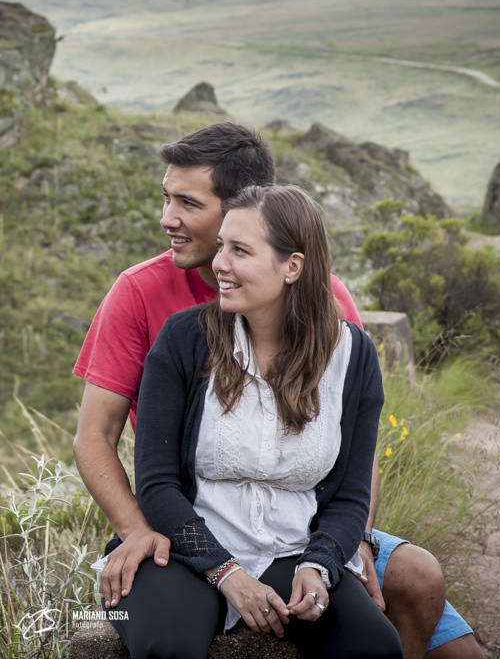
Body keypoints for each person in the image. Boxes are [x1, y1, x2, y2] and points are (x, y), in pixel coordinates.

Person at [73, 123, 482, 659]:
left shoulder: (335, 320)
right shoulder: (150, 302)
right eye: (166, 198)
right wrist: (138, 531)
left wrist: (342, 549)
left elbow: (353, 456)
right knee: (169, 640)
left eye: (187, 203)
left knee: (422, 606)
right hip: (189, 522)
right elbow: (99, 440)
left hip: (302, 530)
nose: (166, 218)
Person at [110, 183, 401, 657]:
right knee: (169, 645)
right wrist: (228, 574)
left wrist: (321, 564)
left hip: (293, 550)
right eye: (222, 245)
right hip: (186, 551)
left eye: (239, 250)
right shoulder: (185, 339)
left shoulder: (354, 357)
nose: (219, 263)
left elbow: (350, 494)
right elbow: (158, 484)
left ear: (293, 266)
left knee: (374, 648)